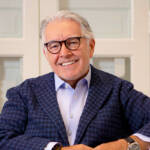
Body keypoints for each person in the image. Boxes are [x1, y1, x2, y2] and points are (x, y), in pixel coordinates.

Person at [0, 10, 150, 150]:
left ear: (90, 46)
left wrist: (125, 145)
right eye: (54, 46)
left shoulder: (118, 90)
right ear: (46, 53)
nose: (64, 53)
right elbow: (3, 137)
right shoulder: (24, 93)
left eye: (72, 42)